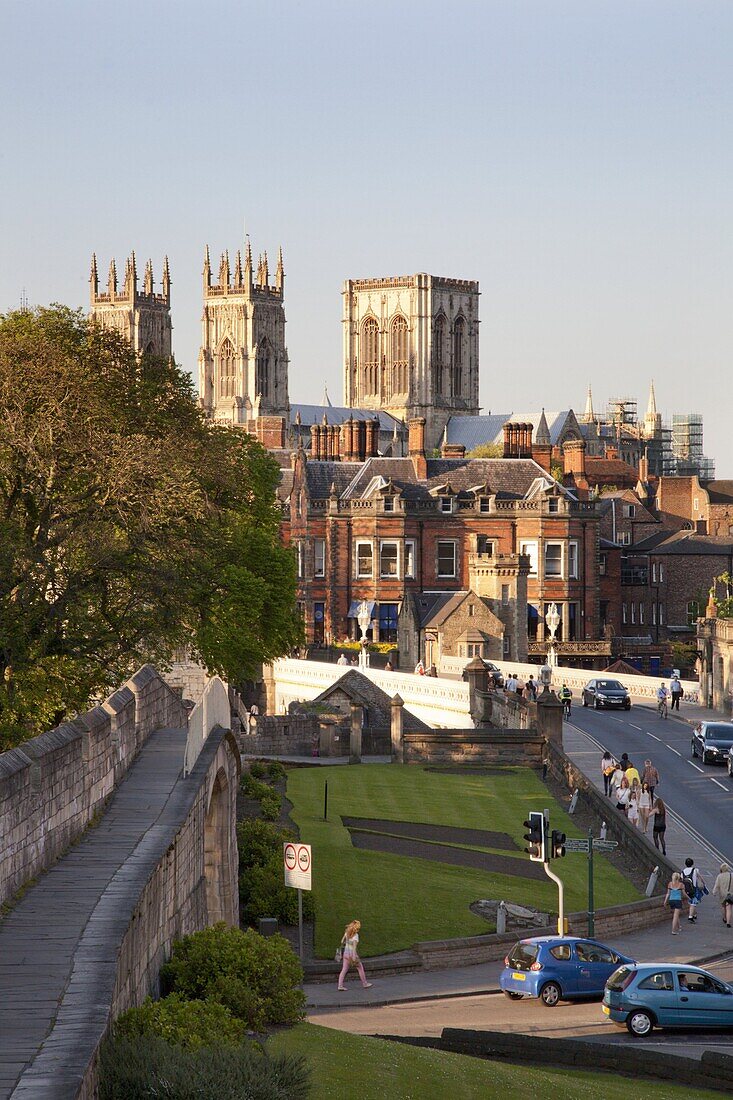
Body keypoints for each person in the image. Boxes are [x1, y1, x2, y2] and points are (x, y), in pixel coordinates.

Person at [337, 919, 372, 991]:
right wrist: (353, 957)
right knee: (360, 968)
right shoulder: (356, 936)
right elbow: (354, 948)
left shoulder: (347, 932)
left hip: (345, 954)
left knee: (344, 970)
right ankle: (365, 984)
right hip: (352, 955)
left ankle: (340, 986)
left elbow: (342, 941)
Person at [682, 857, 706, 922]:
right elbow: (700, 877)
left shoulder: (683, 871)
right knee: (693, 902)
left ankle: (694, 914)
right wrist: (704, 883)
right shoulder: (695, 870)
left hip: (686, 889)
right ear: (692, 863)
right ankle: (690, 916)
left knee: (691, 902)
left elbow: (682, 880)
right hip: (694, 889)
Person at [712, 863, 733, 928]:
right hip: (730, 894)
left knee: (723, 907)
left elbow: (717, 885)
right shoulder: (732, 875)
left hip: (722, 894)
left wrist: (714, 892)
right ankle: (728, 923)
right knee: (729, 908)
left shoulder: (719, 876)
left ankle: (724, 918)